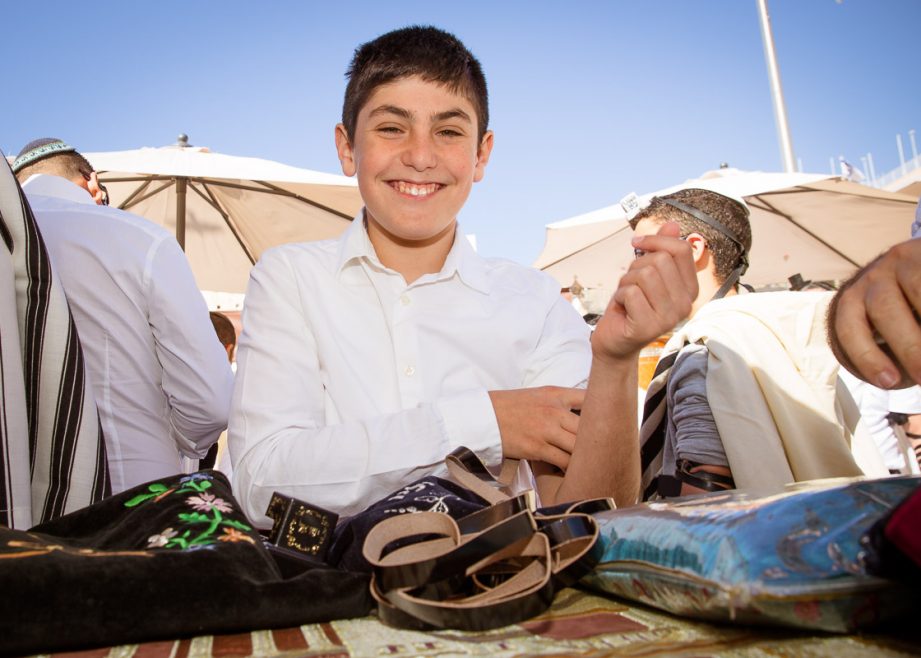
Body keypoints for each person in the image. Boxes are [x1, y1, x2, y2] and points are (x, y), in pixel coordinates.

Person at [229, 26, 697, 523]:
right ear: (347, 148)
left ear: (481, 154)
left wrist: (616, 360)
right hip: (331, 595)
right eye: (391, 128)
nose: (421, 155)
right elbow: (262, 482)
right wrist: (485, 423)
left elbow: (592, 513)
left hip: (501, 591)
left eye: (449, 131)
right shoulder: (291, 278)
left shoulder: (532, 300)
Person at [15, 138, 235, 494]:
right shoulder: (141, 240)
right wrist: (173, 437)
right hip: (128, 496)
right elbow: (210, 403)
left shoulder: (9, 237)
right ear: (92, 181)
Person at [632, 188, 882, 500]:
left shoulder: (703, 352)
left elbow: (703, 499)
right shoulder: (778, 326)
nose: (634, 269)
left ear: (694, 248)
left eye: (642, 253)